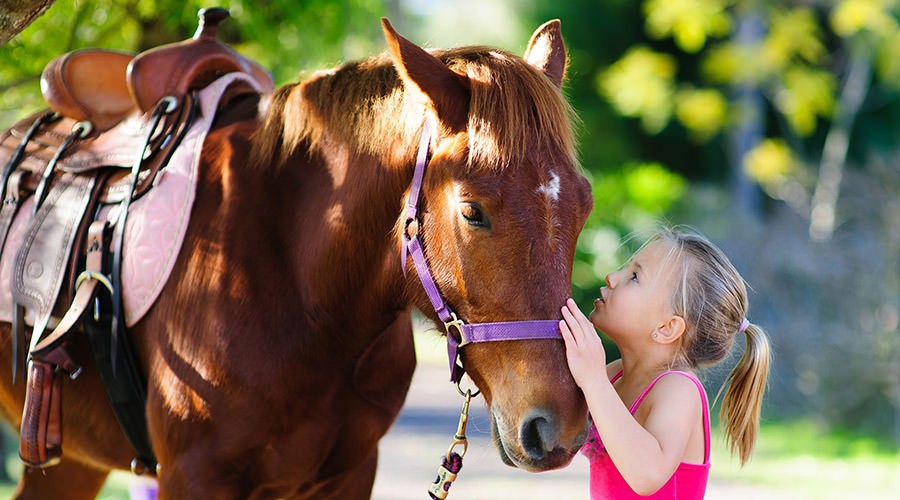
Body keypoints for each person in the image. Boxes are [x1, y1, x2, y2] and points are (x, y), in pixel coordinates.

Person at [559, 226, 771, 499]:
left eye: (634, 276)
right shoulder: (613, 375)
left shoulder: (678, 389)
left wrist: (593, 380)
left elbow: (647, 476)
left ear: (667, 327)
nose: (612, 277)